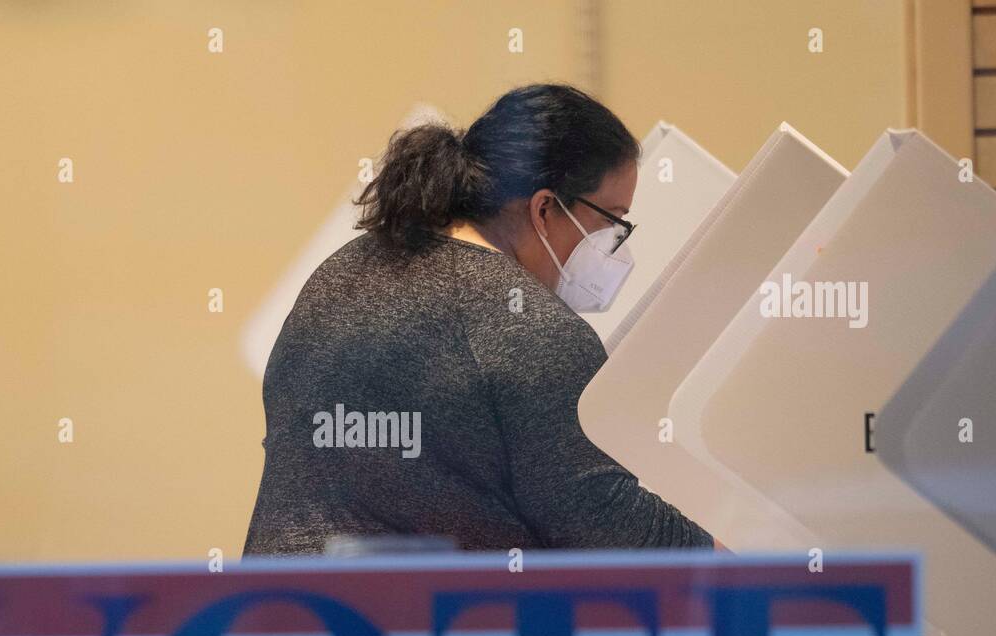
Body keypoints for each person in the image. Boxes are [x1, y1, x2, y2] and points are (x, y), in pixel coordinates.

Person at [244, 83, 711, 555]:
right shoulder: (529, 325)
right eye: (611, 220)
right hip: (415, 621)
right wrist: (742, 560)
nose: (614, 244)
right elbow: (605, 523)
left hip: (271, 611)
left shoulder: (345, 270)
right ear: (545, 207)